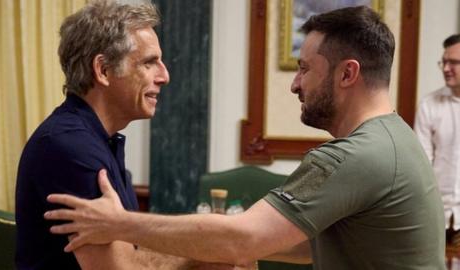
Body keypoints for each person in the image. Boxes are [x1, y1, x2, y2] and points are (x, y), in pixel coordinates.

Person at [44, 6, 446, 269]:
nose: (295, 85)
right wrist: (222, 250)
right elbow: (309, 245)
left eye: (305, 69)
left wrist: (119, 224)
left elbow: (245, 237)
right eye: (150, 62)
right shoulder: (397, 137)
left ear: (347, 74)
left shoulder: (351, 157)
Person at [15, 1, 232, 269]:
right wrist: (205, 256)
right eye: (149, 62)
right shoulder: (69, 147)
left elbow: (133, 250)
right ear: (103, 70)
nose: (165, 75)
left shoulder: (96, 139)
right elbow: (120, 267)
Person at [414, 34, 460, 245]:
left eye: (454, 62)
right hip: (436, 216)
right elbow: (422, 164)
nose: (446, 68)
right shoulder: (429, 104)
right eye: (444, 61)